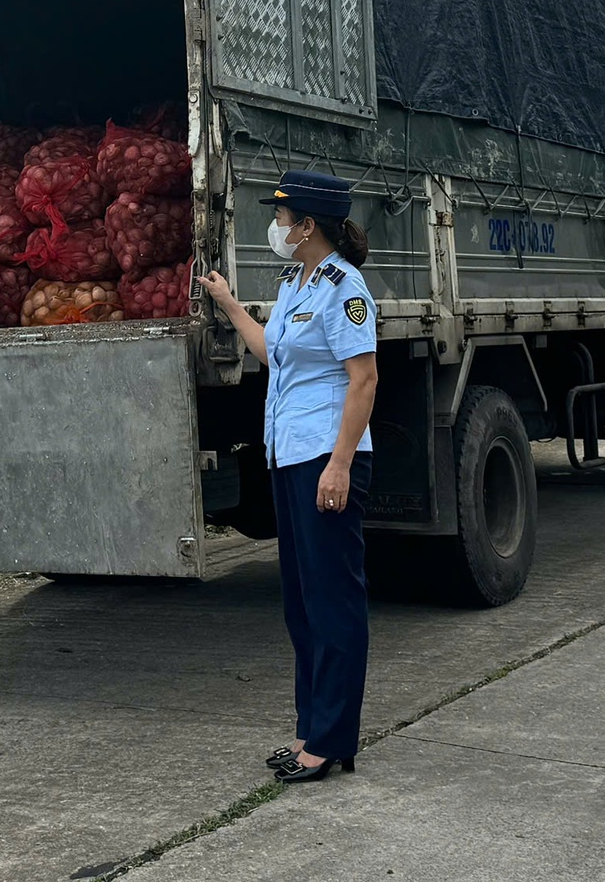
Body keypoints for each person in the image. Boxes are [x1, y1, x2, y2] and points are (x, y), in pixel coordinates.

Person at [202, 170, 378, 785]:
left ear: (307, 226)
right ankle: (312, 730)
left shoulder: (345, 289)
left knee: (333, 600)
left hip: (325, 459)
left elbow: (364, 379)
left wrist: (340, 462)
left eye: (282, 218)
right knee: (301, 603)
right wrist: (227, 303)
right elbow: (275, 353)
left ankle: (330, 741)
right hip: (288, 454)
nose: (275, 226)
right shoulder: (295, 280)